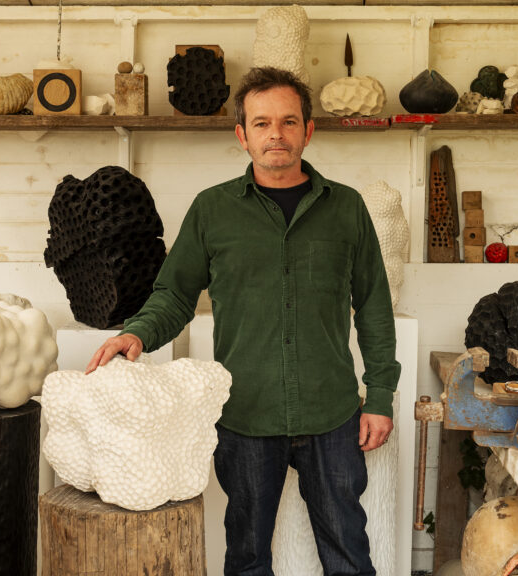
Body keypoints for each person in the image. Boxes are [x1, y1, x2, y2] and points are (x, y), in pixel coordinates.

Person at [86, 66, 400, 576]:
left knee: (349, 553)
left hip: (332, 412)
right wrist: (136, 333)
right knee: (247, 556)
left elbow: (374, 305)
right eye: (261, 123)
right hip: (246, 415)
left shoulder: (347, 208)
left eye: (288, 121)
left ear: (308, 130)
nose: (276, 133)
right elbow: (175, 294)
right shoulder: (212, 210)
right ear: (242, 135)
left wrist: (380, 397)